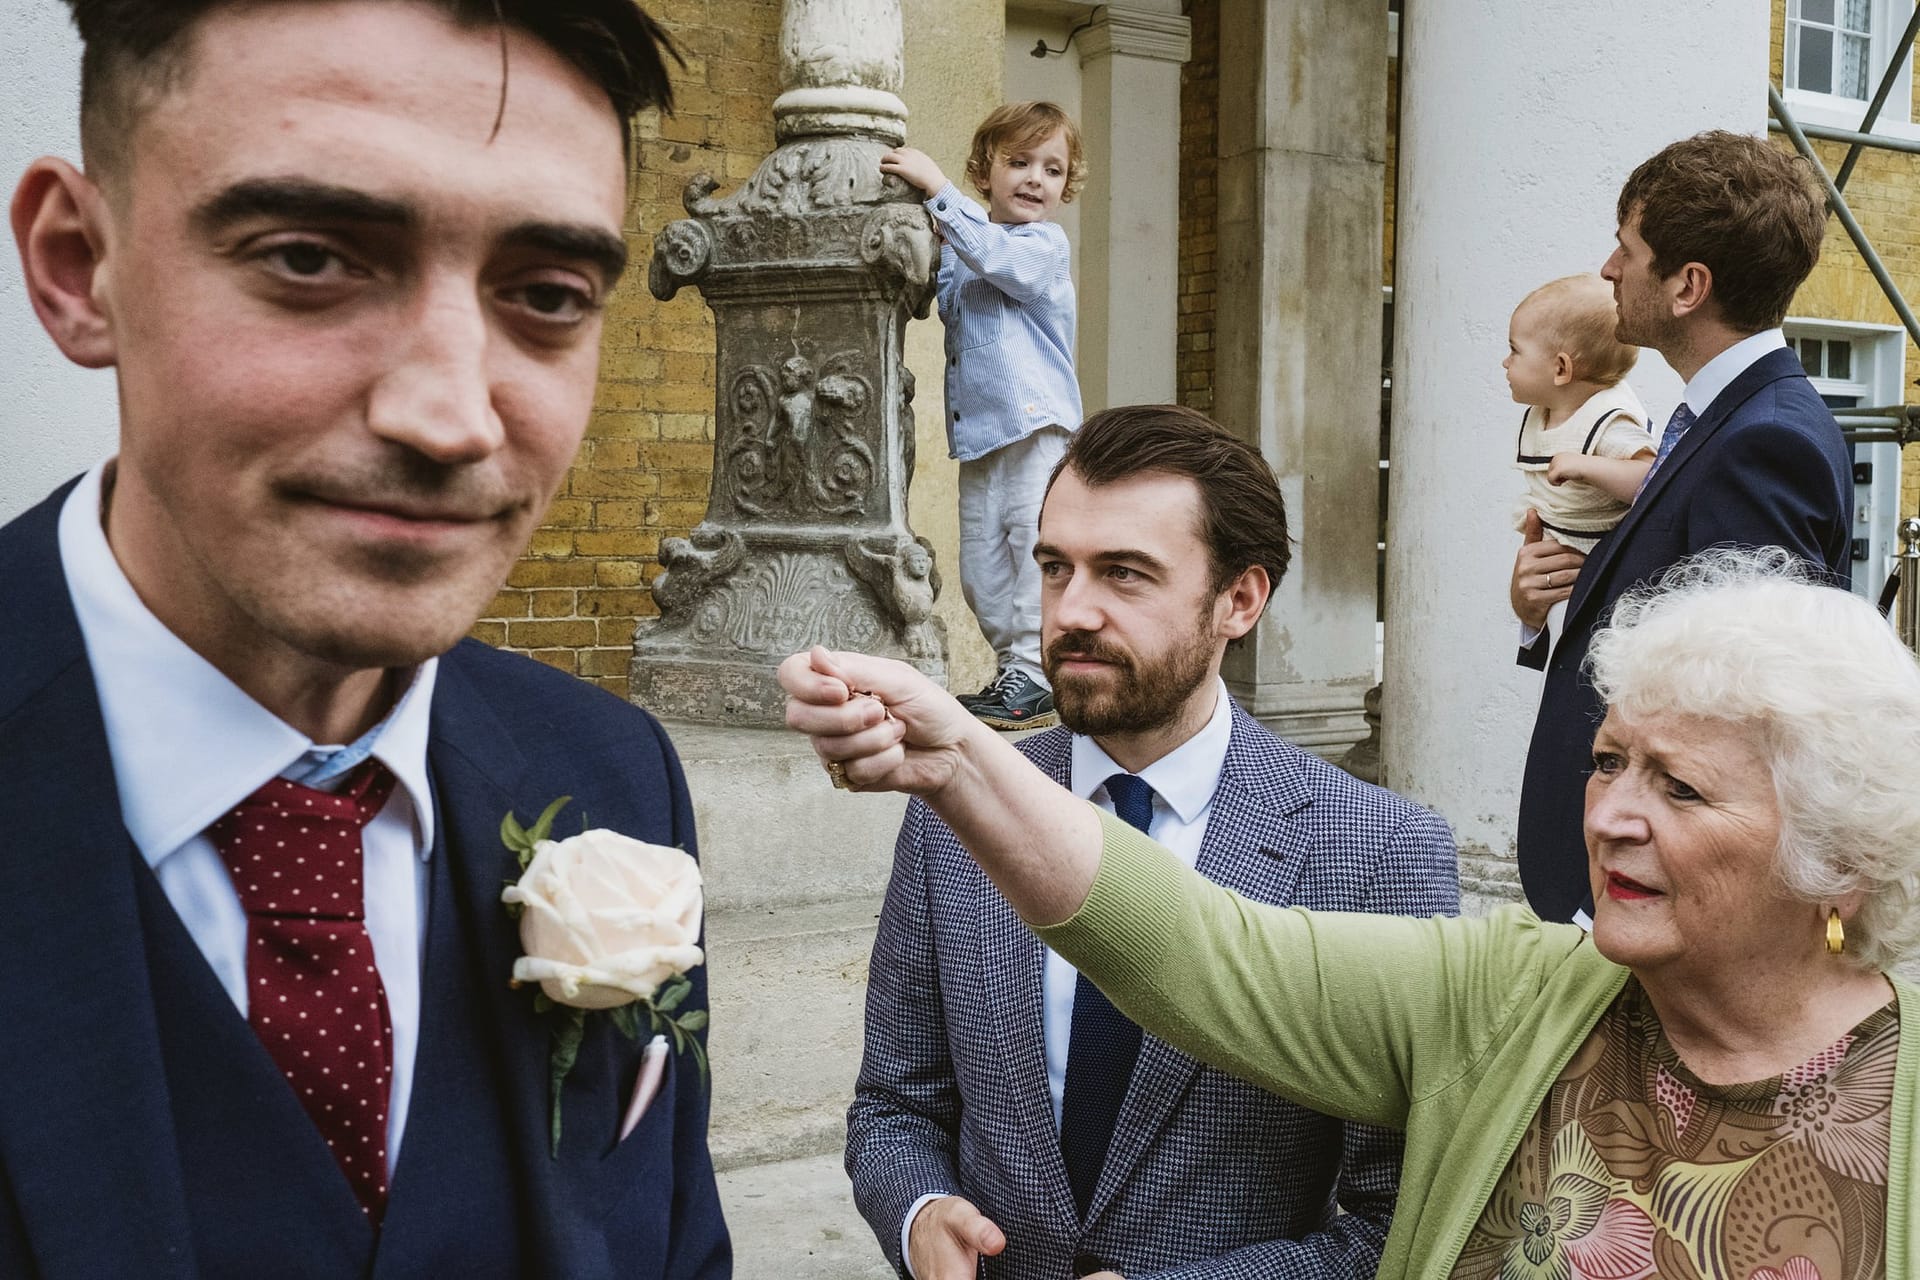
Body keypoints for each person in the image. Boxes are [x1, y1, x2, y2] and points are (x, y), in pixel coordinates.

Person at [0, 2, 729, 1275]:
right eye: (310, 260)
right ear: (80, 267)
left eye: (547, 294)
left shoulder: (610, 774)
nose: (450, 417)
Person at [785, 546, 1920, 1279]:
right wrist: (959, 759)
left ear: (1837, 855)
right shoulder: (1507, 997)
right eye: (1610, 761)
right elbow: (1200, 951)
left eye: (1680, 788)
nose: (1612, 815)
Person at [845, 405, 1460, 1280]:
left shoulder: (1376, 851)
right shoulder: (954, 809)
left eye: (1124, 573)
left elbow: (1401, 1218)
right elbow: (894, 1105)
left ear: (1239, 600)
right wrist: (920, 1215)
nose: (1072, 611)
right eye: (1055, 568)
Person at [1511, 130, 1852, 924]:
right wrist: (1538, 607)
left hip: (1652, 893)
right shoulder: (1719, 419)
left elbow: (1740, 711)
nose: (1609, 269)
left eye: (1628, 249)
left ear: (1688, 286)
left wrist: (1628, 899)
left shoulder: (1766, 442)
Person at [880, 102, 1086, 731]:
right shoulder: (966, 246)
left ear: (1065, 185)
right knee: (982, 573)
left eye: (1052, 169)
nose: (1035, 179)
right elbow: (949, 278)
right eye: (1019, 162)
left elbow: (1002, 262)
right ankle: (1014, 672)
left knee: (1032, 556)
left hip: (1036, 430)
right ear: (985, 171)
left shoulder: (1042, 246)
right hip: (980, 438)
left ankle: (1036, 673)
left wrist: (939, 192)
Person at [1505, 273, 1653, 555]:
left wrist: (1587, 467)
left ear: (1561, 369)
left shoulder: (1606, 421)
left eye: (1515, 350)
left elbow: (1651, 478)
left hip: (1601, 561)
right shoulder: (1546, 413)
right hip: (1557, 551)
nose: (1505, 362)